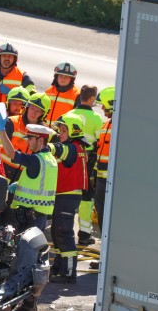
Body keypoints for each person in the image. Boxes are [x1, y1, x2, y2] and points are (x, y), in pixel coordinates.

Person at [0, 115, 57, 311]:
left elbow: (12, 154)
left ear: (41, 140)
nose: (27, 142)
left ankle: (12, 303)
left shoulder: (35, 160)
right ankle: (30, 304)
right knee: (35, 262)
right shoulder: (51, 160)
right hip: (39, 218)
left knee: (20, 262)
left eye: (30, 139)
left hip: (28, 218)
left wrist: (1, 130)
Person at [47, 112, 88, 284]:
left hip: (68, 195)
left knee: (64, 233)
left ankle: (69, 272)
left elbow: (58, 150)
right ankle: (58, 266)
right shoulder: (76, 147)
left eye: (63, 131)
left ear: (73, 131)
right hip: (64, 194)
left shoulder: (73, 148)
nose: (60, 134)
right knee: (57, 232)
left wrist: (44, 146)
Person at [68, 85, 104, 246]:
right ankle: (84, 234)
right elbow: (100, 142)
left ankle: (63, 231)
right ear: (91, 99)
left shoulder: (69, 114)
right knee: (86, 198)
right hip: (87, 162)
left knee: (66, 195)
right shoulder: (96, 119)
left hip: (68, 159)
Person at [93, 87, 115, 237]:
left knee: (109, 215)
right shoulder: (106, 124)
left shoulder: (121, 126)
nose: (102, 108)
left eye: (104, 105)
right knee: (101, 211)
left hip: (112, 181)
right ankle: (104, 252)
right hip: (101, 179)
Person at [45, 62, 80, 126]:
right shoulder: (48, 92)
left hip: (62, 134)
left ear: (71, 79)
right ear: (56, 77)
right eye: (61, 76)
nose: (63, 78)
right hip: (44, 131)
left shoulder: (77, 95)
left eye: (66, 76)